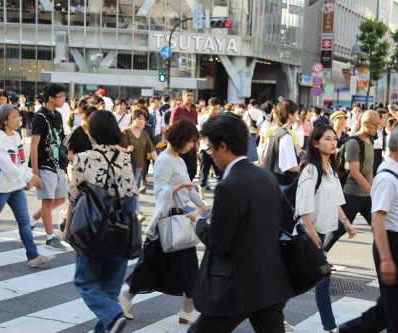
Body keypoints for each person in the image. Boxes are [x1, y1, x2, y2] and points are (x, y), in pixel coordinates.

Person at [185, 112, 293, 332]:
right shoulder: (266, 176)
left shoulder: (229, 186)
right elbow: (283, 221)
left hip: (235, 284)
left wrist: (199, 221)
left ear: (223, 146)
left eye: (210, 148)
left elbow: (219, 243)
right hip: (269, 280)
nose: (210, 154)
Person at [339, 125, 398, 333]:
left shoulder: (397, 172)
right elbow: (378, 219)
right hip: (393, 245)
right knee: (397, 310)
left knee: (391, 307)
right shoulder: (387, 177)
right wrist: (387, 259)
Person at [120, 118, 207, 324]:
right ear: (180, 138)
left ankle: (187, 309)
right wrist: (174, 190)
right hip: (166, 221)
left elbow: (189, 186)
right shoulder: (164, 160)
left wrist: (202, 205)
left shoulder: (178, 159)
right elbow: (160, 192)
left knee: (183, 266)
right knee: (151, 266)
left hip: (178, 219)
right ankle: (125, 298)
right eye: (190, 141)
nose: (191, 146)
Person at [65, 110, 133, 333]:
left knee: (84, 281)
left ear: (92, 133)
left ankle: (113, 316)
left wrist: (67, 228)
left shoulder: (84, 158)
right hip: (121, 231)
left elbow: (73, 197)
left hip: (91, 229)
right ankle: (107, 322)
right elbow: (131, 198)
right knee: (110, 291)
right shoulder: (125, 159)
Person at [295, 124, 356, 333]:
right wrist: (312, 233)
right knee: (322, 277)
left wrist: (346, 222)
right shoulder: (311, 169)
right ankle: (329, 327)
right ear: (315, 143)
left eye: (334, 138)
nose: (333, 142)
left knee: (299, 278)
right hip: (308, 232)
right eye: (327, 139)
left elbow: (336, 200)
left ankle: (272, 312)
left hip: (318, 231)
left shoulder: (330, 167)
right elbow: (303, 203)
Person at [0, 104, 54, 268]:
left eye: (19, 116)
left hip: (14, 187)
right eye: (14, 116)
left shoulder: (16, 136)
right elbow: (7, 166)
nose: (19, 119)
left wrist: (25, 180)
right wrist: (29, 176)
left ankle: (33, 256)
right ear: (4, 120)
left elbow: (20, 161)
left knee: (24, 221)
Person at [324, 110, 380, 253]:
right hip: (352, 194)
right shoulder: (354, 142)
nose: (377, 128)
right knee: (338, 229)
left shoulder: (370, 141)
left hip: (367, 195)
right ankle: (320, 255)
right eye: (375, 124)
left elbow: (368, 172)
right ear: (365, 123)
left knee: (380, 228)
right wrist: (373, 191)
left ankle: (387, 259)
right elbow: (355, 172)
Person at [28, 83, 68, 251]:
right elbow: (34, 146)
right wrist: (35, 172)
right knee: (48, 200)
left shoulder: (57, 115)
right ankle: (50, 238)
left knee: (61, 198)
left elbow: (61, 140)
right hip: (44, 164)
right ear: (50, 98)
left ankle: (31, 220)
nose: (64, 100)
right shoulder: (39, 117)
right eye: (61, 97)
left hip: (57, 164)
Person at [119, 109, 157, 221]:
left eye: (144, 119)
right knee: (133, 190)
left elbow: (152, 151)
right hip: (125, 168)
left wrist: (160, 164)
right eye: (138, 118)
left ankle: (127, 214)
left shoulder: (144, 134)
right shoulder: (124, 132)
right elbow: (114, 146)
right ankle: (138, 212)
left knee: (130, 191)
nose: (141, 121)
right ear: (133, 119)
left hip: (138, 167)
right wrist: (125, 149)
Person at [264, 100, 303, 187]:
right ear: (289, 115)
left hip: (273, 180)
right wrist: (306, 167)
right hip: (282, 183)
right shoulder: (286, 137)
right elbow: (290, 167)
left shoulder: (276, 132)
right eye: (296, 113)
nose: (297, 116)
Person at [169, 89, 198, 181]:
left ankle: (185, 186)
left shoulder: (194, 112)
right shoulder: (177, 110)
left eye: (192, 96)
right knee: (179, 169)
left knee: (192, 170)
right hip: (180, 144)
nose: (190, 98)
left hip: (191, 144)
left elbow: (195, 129)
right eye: (188, 95)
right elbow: (171, 127)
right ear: (183, 97)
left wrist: (196, 147)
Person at [198, 97, 223, 200]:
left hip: (217, 150)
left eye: (218, 109)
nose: (216, 111)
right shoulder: (203, 119)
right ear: (209, 107)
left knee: (220, 175)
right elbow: (201, 135)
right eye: (214, 109)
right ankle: (201, 198)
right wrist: (209, 145)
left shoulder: (220, 119)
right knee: (204, 174)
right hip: (205, 150)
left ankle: (221, 197)